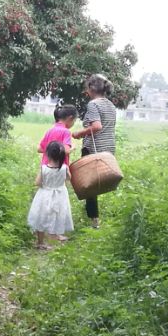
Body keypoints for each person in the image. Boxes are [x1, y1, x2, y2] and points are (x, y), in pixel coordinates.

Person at [73, 74, 119, 228]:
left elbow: (97, 126)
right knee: (97, 182)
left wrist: (80, 133)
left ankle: (94, 220)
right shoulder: (110, 105)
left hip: (94, 148)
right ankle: (92, 215)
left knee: (88, 183)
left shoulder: (93, 104)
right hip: (108, 148)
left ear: (91, 89)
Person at [28, 138, 74, 249]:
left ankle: (40, 242)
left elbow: (37, 183)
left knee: (41, 216)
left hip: (45, 195)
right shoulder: (64, 168)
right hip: (60, 195)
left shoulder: (44, 169)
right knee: (57, 214)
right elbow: (68, 178)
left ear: (47, 154)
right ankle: (55, 235)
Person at [39, 103, 77, 168]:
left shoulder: (50, 131)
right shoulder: (66, 132)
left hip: (45, 168)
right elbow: (66, 151)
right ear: (70, 118)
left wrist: (52, 152)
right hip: (59, 169)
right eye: (74, 120)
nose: (73, 123)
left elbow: (40, 149)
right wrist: (73, 147)